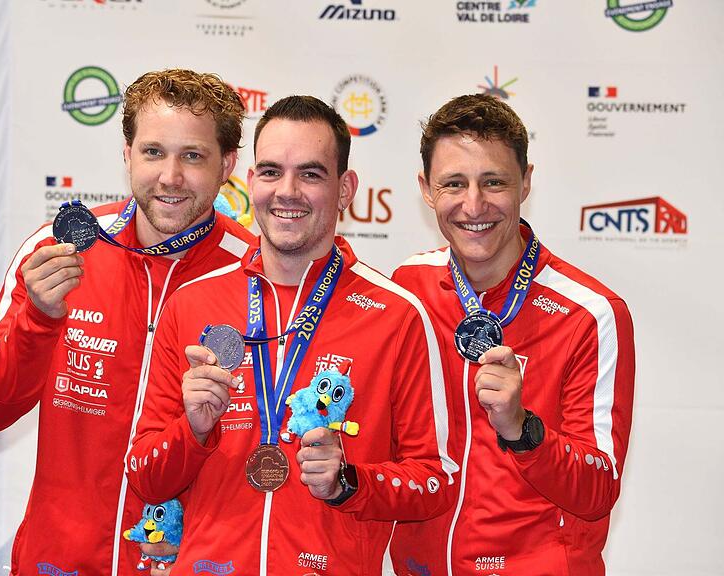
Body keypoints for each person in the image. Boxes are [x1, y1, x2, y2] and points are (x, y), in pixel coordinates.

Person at [125, 95, 460, 575]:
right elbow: (144, 476)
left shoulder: (397, 316)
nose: (287, 191)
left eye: (310, 174)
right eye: (270, 172)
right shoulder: (191, 304)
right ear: (250, 181)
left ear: (345, 189)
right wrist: (193, 431)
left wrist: (349, 482)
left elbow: (436, 482)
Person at [0, 69, 255, 576]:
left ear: (226, 164)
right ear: (127, 153)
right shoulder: (60, 251)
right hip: (60, 561)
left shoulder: (255, 273)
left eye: (193, 156)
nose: (170, 176)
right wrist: (39, 320)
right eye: (153, 151)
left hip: (192, 563)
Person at [389, 94, 635, 576]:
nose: (473, 204)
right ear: (425, 189)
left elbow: (599, 489)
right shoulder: (408, 285)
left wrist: (523, 429)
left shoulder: (590, 313)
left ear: (526, 181)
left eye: (494, 182)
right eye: (454, 183)